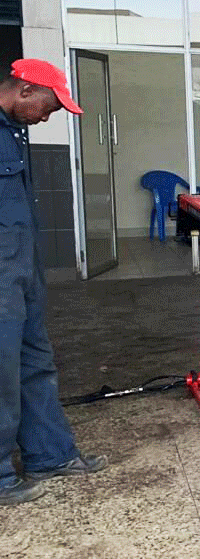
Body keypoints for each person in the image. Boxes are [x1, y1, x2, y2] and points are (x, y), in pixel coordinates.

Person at [0, 59, 106, 505]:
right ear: (25, 90)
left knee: (36, 360)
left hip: (22, 268)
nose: (47, 117)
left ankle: (49, 455)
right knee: (2, 369)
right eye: (48, 107)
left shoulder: (14, 132)